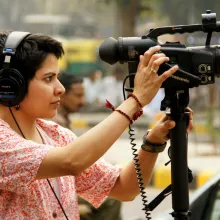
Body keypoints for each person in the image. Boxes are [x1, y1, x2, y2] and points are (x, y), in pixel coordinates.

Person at [0, 30, 193, 220]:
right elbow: (71, 161)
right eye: (48, 78)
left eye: (57, 77)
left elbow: (124, 188)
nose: (60, 89)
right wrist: (136, 100)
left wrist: (153, 141)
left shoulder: (57, 135)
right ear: (10, 85)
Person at [53, 72, 123, 220]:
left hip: (68, 186)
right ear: (62, 95)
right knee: (111, 199)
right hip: (59, 191)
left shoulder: (62, 119)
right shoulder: (55, 122)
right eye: (78, 96)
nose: (83, 101)